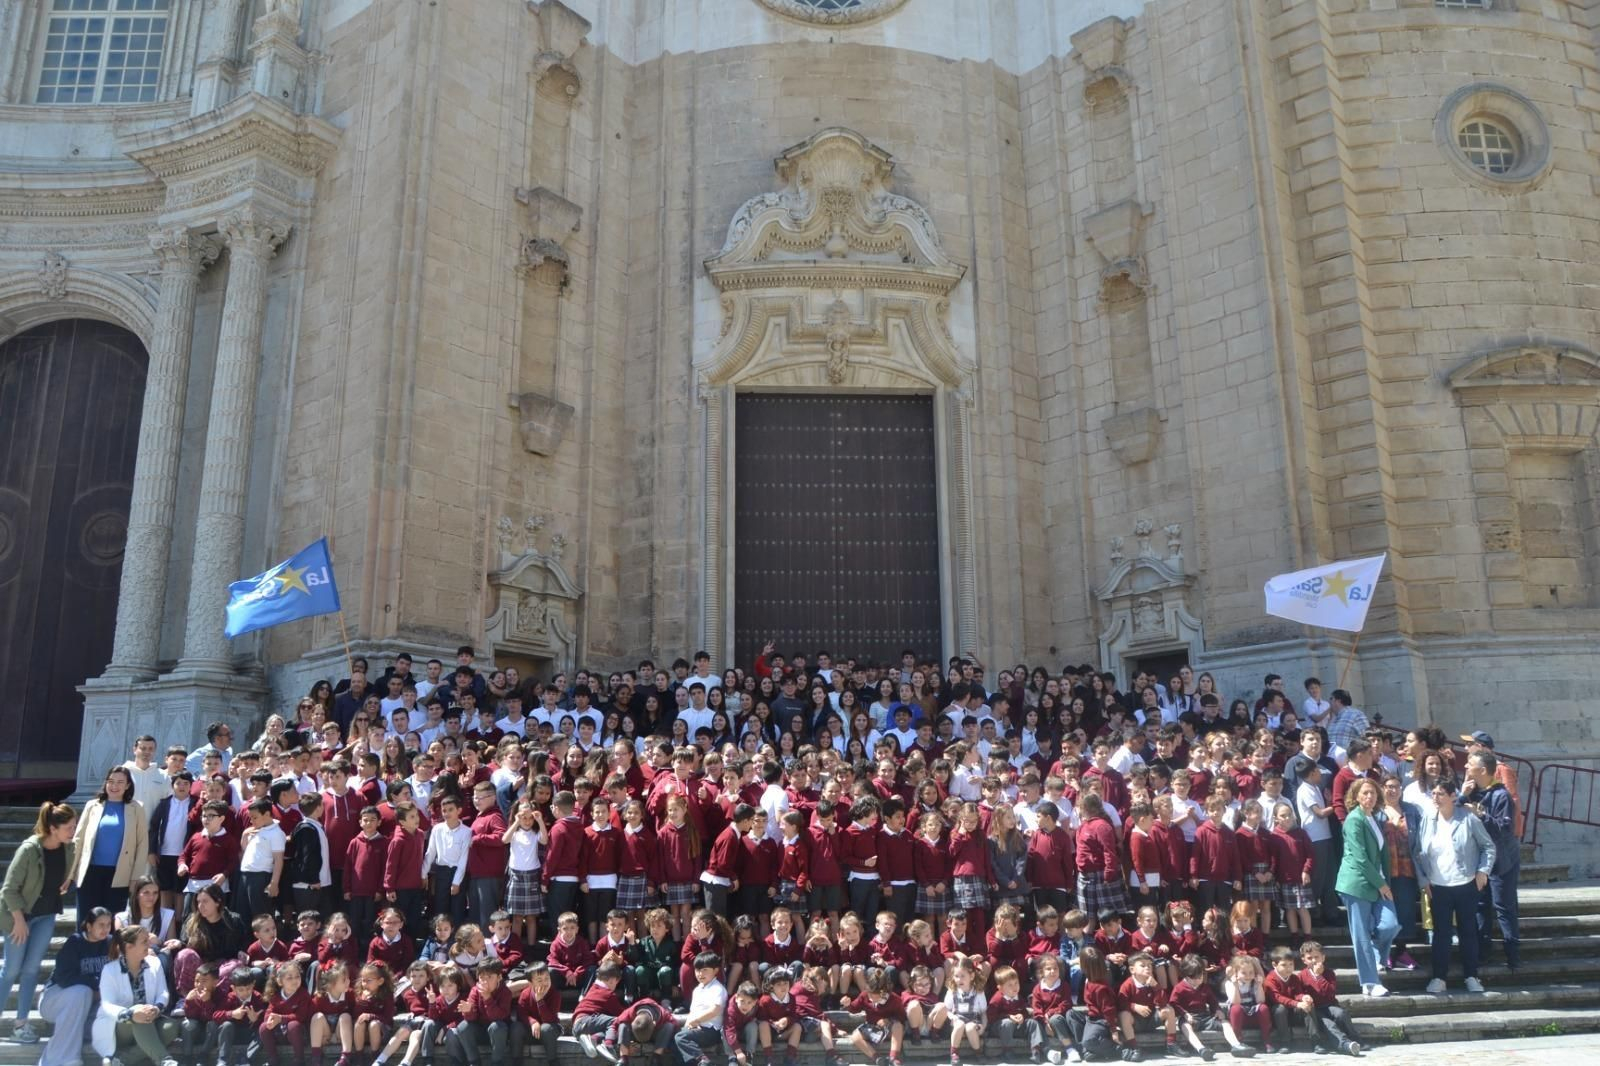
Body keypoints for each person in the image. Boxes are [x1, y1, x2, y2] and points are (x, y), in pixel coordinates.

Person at [0, 801, 78, 1044]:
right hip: (19, 916)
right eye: (69, 827)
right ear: (53, 828)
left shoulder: (67, 848)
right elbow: (8, 890)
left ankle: (21, 1025)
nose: (73, 831)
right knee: (11, 969)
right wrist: (19, 921)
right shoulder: (29, 850)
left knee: (32, 970)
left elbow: (64, 873)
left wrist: (66, 882)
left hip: (46, 915)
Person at [1413, 777, 1496, 995]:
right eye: (1434, 794)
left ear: (1452, 796)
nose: (1436, 798)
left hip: (1466, 884)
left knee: (1468, 931)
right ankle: (1439, 977)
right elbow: (1417, 853)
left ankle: (1471, 975)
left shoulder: (1468, 819)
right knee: (1441, 933)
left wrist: (1482, 872)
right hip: (1438, 886)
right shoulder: (1427, 819)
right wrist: (1424, 881)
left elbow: (1488, 847)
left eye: (1441, 794)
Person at [1332, 778, 1399, 998]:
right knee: (1361, 935)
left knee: (1390, 925)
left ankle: (1377, 958)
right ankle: (1369, 982)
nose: (1369, 797)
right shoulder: (1354, 819)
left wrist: (1383, 882)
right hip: (1357, 884)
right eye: (1365, 793)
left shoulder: (1373, 818)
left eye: (1372, 793)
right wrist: (1381, 884)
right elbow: (1360, 858)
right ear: (1357, 796)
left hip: (1377, 882)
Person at [1461, 750, 1521, 972]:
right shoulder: (1471, 791)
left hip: (1501, 861)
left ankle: (1513, 955)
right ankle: (1482, 952)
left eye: (1470, 764)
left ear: (1483, 770)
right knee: (1480, 906)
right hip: (1477, 863)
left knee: (1504, 907)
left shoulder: (1501, 795)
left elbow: (1505, 829)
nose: (1466, 767)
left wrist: (1481, 815)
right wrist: (1461, 796)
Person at [38, 908, 114, 1066]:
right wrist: (96, 988)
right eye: (101, 925)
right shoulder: (75, 942)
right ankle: (65, 1059)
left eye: (108, 925)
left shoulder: (110, 943)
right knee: (82, 992)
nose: (105, 929)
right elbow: (64, 978)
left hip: (89, 1002)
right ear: (89, 926)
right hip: (55, 1000)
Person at [94, 926, 178, 1065]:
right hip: (121, 1026)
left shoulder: (155, 963)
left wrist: (156, 1008)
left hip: (149, 1020)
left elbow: (163, 993)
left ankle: (122, 1060)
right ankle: (165, 1061)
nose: (149, 944)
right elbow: (107, 1005)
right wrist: (130, 1014)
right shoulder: (109, 970)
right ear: (129, 947)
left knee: (172, 1027)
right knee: (139, 1012)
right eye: (144, 941)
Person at [72, 766, 149, 917]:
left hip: (120, 874)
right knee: (86, 919)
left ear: (127, 785)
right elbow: (78, 839)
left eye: (120, 782)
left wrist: (135, 877)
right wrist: (70, 873)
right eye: (111, 781)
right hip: (90, 872)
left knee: (113, 921)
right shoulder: (92, 806)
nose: (115, 786)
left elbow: (142, 844)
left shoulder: (136, 808)